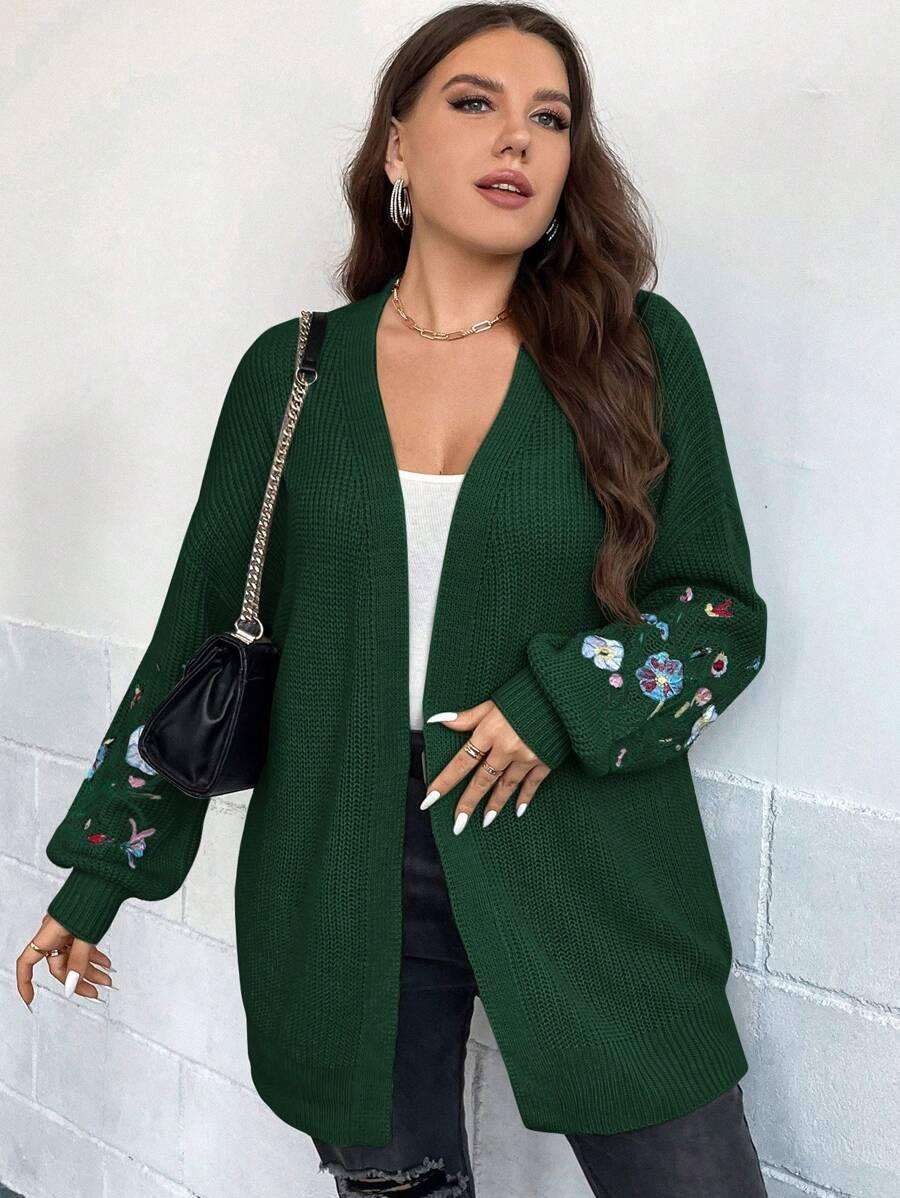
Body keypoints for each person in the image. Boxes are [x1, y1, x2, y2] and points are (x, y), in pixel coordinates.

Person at [18, 5, 770, 1195]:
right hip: (346, 864)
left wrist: (559, 702)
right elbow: (198, 634)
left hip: (591, 853)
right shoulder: (293, 372)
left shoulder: (636, 350)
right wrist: (100, 873)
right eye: (475, 103)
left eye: (551, 119)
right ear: (398, 146)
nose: (517, 138)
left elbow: (721, 615)